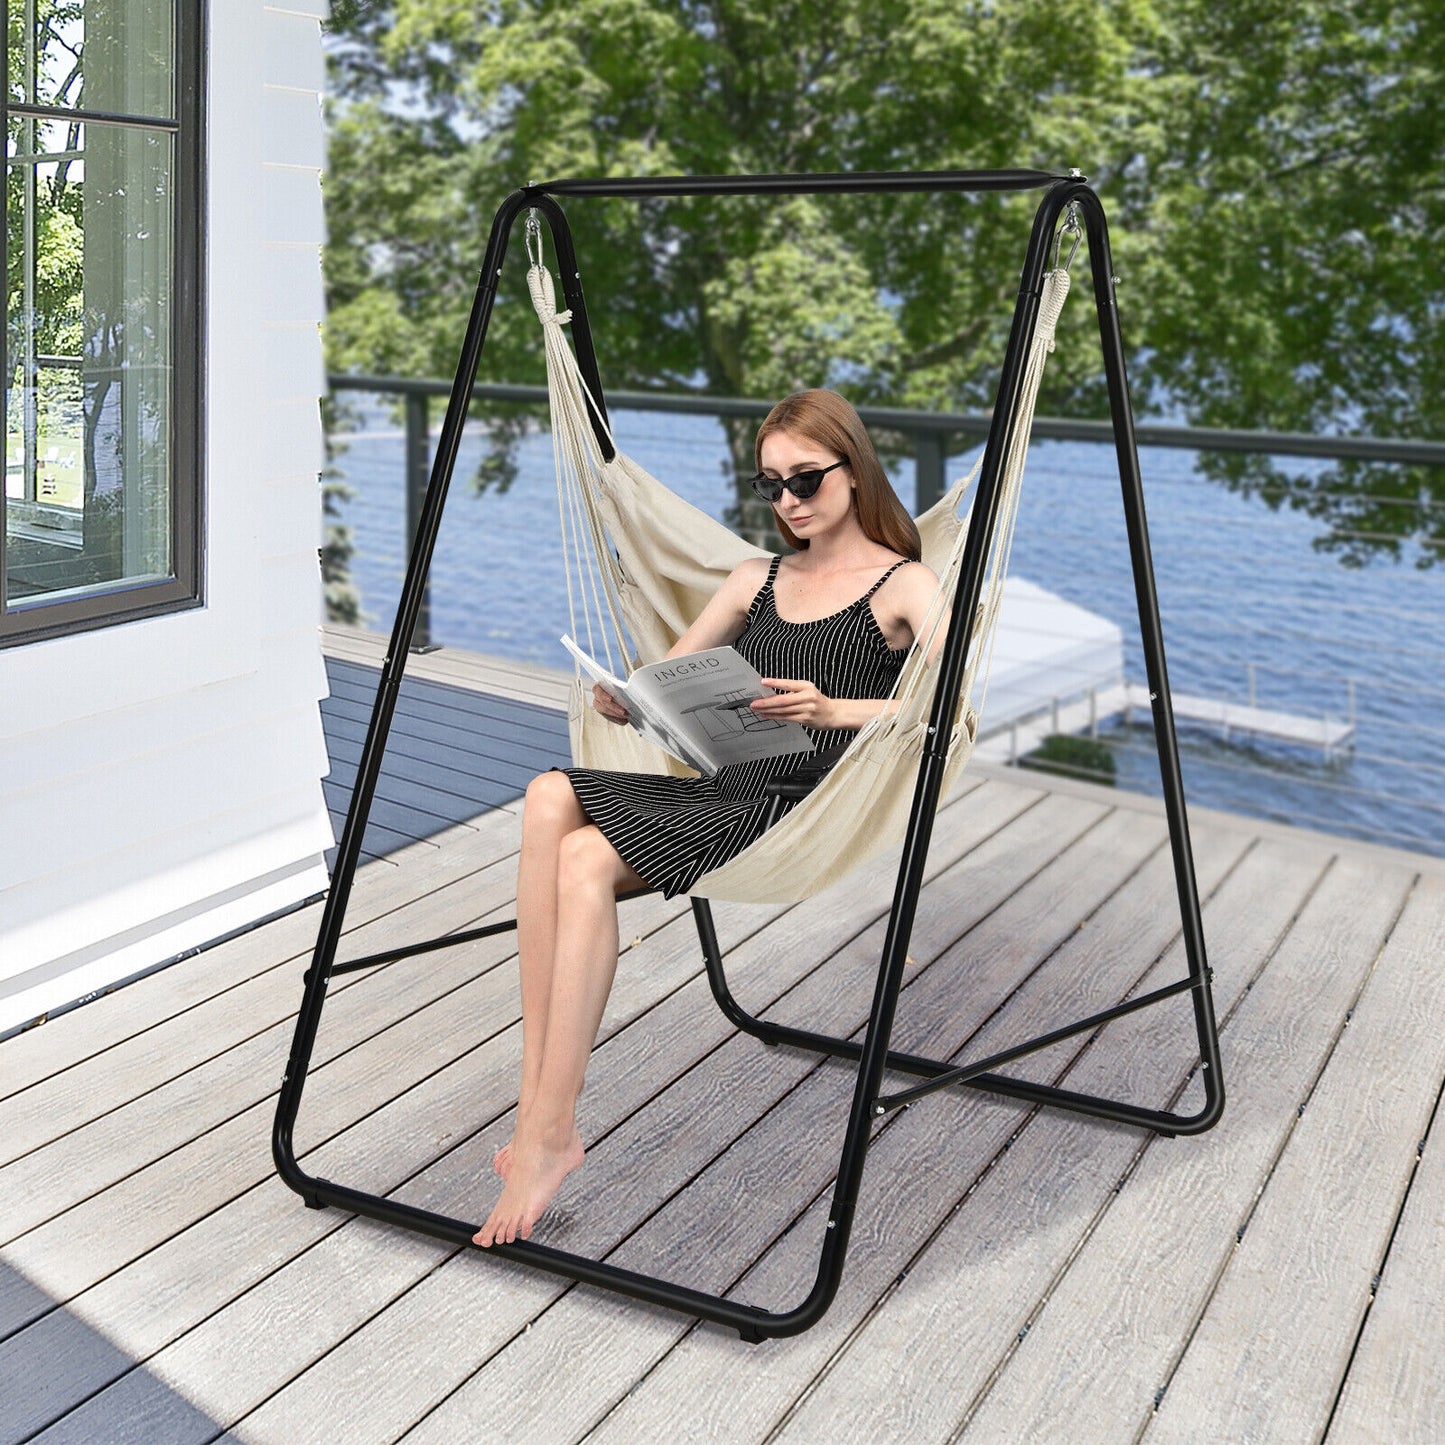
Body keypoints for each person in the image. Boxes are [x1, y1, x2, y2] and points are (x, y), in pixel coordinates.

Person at [474, 388, 943, 1247]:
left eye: (805, 478)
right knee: (549, 794)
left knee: (583, 861)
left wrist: (832, 708)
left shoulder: (904, 582)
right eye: (771, 487)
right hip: (725, 784)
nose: (789, 502)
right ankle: (542, 1107)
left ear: (854, 466)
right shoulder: (752, 578)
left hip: (800, 808)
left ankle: (545, 1127)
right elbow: (666, 677)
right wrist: (625, 702)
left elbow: (954, 712)